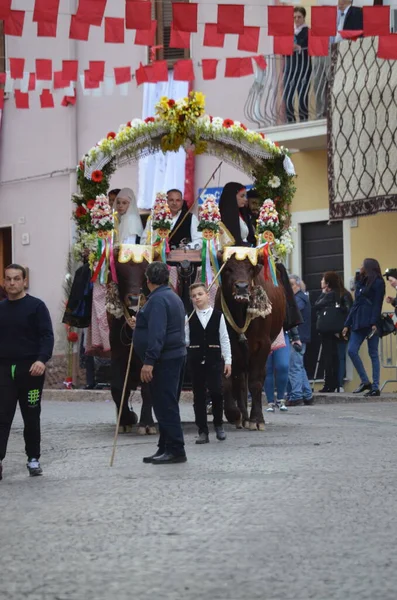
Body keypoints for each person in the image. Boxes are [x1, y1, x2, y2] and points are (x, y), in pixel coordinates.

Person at [0, 264, 54, 481]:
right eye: (8, 279)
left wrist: (41, 359)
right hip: (4, 371)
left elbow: (47, 336)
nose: (12, 283)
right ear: (3, 282)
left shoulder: (36, 307)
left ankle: (33, 458)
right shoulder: (1, 309)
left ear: (24, 281)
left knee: (31, 416)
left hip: (31, 371)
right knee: (2, 417)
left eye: (16, 279)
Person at [131, 262, 187, 464]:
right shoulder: (172, 296)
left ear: (147, 281)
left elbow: (157, 333)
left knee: (165, 405)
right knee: (166, 403)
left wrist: (149, 361)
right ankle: (164, 446)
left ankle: (176, 449)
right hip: (174, 356)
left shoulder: (157, 300)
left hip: (164, 359)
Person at [185, 283, 232, 444]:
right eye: (194, 296)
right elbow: (185, 339)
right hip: (196, 359)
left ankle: (218, 425)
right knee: (198, 396)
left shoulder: (218, 316)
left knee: (217, 392)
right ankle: (202, 430)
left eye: (199, 294)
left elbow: (224, 338)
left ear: (207, 295)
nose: (197, 298)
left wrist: (228, 360)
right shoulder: (189, 317)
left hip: (213, 359)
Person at [342, 258, 385, 397]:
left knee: (373, 354)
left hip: (371, 322)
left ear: (368, 267)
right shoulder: (361, 281)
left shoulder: (378, 282)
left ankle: (375, 386)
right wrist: (347, 324)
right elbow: (355, 304)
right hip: (358, 321)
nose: (360, 267)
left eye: (362, 265)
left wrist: (374, 323)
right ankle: (365, 381)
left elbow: (377, 304)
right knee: (352, 350)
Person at [315, 272, 344, 393]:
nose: (321, 282)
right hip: (335, 329)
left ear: (327, 283)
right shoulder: (340, 293)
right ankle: (336, 383)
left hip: (327, 330)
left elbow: (317, 304)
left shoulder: (329, 294)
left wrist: (322, 294)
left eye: (323, 280)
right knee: (335, 356)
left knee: (328, 357)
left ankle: (329, 384)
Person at [288, 275, 313, 405]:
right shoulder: (302, 298)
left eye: (291, 284)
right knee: (299, 366)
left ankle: (296, 396)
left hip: (298, 337)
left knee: (295, 367)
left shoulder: (299, 299)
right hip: (301, 337)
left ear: (297, 285)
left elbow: (293, 315)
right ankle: (307, 395)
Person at [283, 7, 312, 123]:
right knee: (288, 98)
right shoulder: (288, 32)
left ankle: (304, 121)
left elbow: (307, 46)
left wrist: (297, 47)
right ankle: (291, 121)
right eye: (294, 17)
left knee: (302, 97)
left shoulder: (308, 31)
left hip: (303, 67)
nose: (296, 19)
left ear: (304, 17)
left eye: (299, 17)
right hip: (290, 67)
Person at [219, 182, 256, 246]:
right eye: (242, 196)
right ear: (232, 197)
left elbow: (251, 238)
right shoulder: (224, 217)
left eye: (245, 196)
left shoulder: (243, 213)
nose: (245, 199)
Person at [336, 274, 353, 392]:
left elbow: (348, 312)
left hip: (342, 330)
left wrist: (343, 329)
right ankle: (337, 383)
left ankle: (339, 384)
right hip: (340, 329)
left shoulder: (343, 295)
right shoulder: (344, 294)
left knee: (340, 357)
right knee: (338, 357)